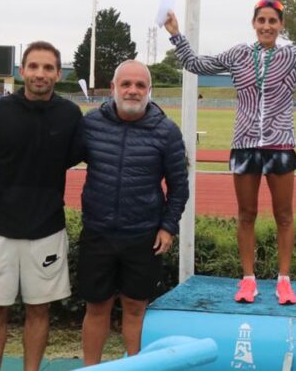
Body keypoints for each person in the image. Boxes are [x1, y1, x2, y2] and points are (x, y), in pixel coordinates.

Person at [164, 0, 296, 304]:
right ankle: (248, 279)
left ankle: (284, 280)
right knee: (246, 213)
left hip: (280, 146)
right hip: (245, 144)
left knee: (284, 215)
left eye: (273, 21)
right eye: (261, 20)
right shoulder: (238, 54)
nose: (267, 26)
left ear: (281, 26)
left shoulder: (292, 55)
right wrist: (176, 35)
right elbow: (196, 64)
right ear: (254, 23)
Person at [0, 41, 82, 371]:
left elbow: (88, 152)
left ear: (58, 74)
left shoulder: (70, 115)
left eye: (47, 68)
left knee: (39, 309)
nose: (40, 74)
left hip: (46, 230)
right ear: (22, 71)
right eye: (33, 66)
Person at [73, 60, 189, 364]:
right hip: (98, 233)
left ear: (149, 90)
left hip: (143, 236)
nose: (133, 91)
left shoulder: (166, 131)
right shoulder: (91, 123)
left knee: (136, 308)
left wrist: (168, 227)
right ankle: (91, 369)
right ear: (113, 88)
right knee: (96, 307)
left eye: (140, 85)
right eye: (126, 84)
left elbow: (179, 187)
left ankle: (134, 365)